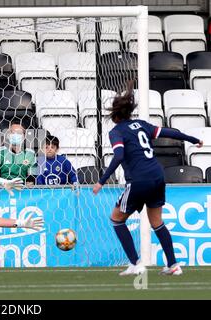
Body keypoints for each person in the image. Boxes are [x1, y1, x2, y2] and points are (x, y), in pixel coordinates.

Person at [92, 83, 203, 276]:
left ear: (114, 115)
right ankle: (173, 265)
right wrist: (193, 139)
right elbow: (171, 133)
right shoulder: (142, 125)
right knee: (157, 221)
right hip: (158, 175)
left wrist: (101, 181)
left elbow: (118, 156)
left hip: (139, 179)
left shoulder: (116, 132)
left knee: (117, 219)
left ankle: (136, 264)